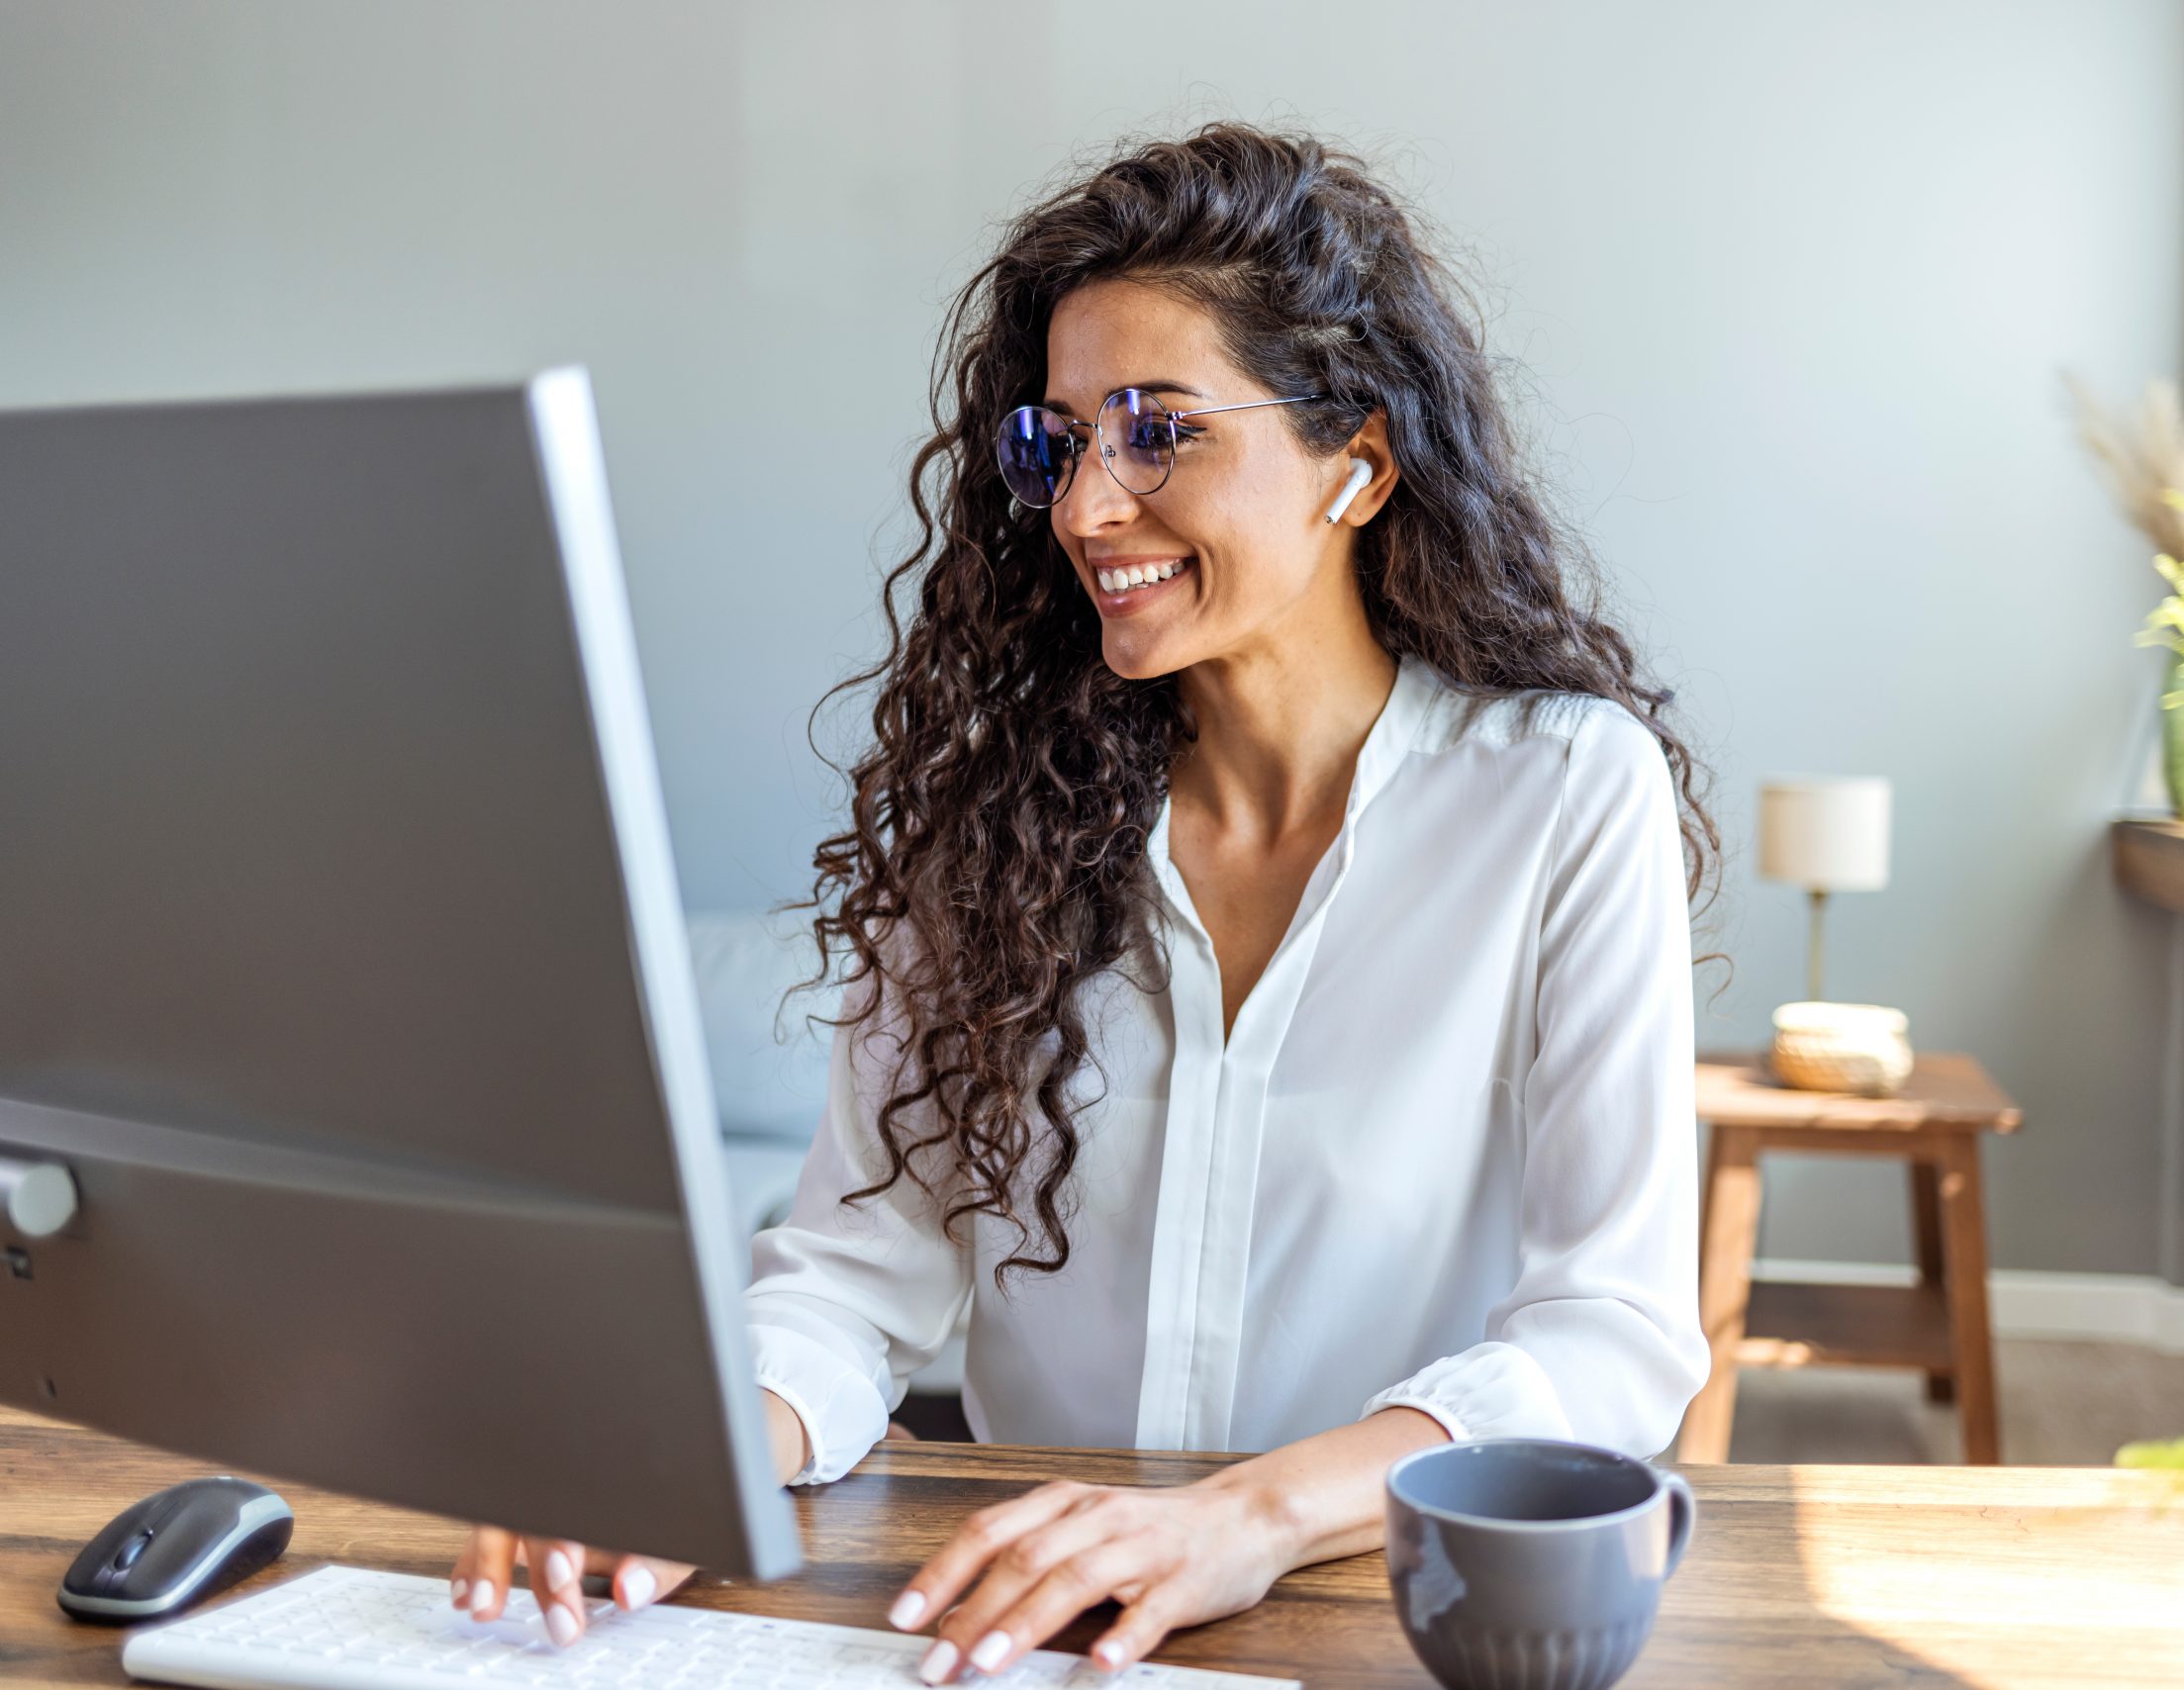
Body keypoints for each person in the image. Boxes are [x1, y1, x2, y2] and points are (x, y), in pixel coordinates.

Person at [448, 121, 1719, 1680]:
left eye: (1159, 431)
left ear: (1360, 463)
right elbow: (850, 1281)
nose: (1088, 509)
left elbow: (1612, 1331)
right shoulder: (1002, 823)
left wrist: (1242, 1520)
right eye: (1060, 443)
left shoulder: (1561, 794)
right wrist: (688, 1459)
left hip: (1382, 1616)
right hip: (1024, 1628)